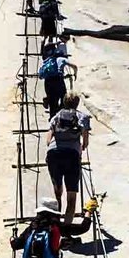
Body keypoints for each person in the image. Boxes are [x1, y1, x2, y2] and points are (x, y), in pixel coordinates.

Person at [46, 93, 91, 224]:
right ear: (77, 103)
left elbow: (49, 135)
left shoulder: (58, 115)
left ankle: (57, 213)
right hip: (71, 154)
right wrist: (83, 145)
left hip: (54, 152)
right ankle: (66, 231)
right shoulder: (81, 116)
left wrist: (52, 144)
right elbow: (85, 135)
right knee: (71, 197)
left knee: (57, 187)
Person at [38, 47, 68, 116]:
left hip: (48, 82)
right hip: (58, 80)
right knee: (64, 98)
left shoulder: (46, 62)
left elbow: (40, 75)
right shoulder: (60, 59)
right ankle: (60, 112)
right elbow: (74, 66)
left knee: (52, 102)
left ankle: (52, 117)